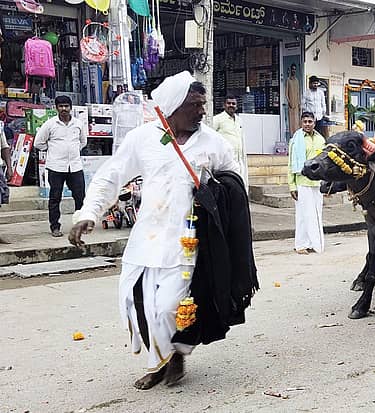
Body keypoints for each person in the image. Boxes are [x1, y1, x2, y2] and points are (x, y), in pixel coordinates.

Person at [68, 72, 243, 389]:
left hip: (187, 241)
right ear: (173, 107)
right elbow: (111, 176)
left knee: (168, 307)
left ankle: (175, 356)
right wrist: (89, 212)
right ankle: (158, 362)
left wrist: (215, 192)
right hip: (146, 241)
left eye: (203, 105)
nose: (202, 112)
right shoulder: (143, 138)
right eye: (195, 105)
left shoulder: (212, 143)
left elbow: (235, 179)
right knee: (140, 306)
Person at [34, 95, 88, 237]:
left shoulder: (78, 124)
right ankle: (55, 227)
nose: (64, 109)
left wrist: (72, 151)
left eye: (66, 106)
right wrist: (53, 150)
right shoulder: (50, 124)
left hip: (75, 166)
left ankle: (80, 226)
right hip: (56, 167)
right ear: (56, 108)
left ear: (71, 108)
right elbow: (38, 143)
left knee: (80, 197)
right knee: (55, 197)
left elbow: (83, 142)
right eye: (61, 106)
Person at [289, 112, 326, 254]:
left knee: (317, 213)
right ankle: (301, 245)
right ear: (301, 123)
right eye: (305, 121)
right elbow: (290, 164)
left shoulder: (320, 139)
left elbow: (325, 162)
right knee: (303, 214)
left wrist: (326, 183)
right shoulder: (296, 140)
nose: (307, 124)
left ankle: (313, 243)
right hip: (302, 181)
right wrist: (292, 185)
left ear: (314, 123)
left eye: (310, 121)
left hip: (317, 182)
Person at [211, 95, 248, 191]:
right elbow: (211, 137)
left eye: (233, 103)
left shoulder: (239, 120)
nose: (231, 105)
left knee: (240, 186)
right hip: (225, 162)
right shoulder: (217, 119)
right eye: (229, 103)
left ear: (236, 106)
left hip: (239, 161)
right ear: (224, 105)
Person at [286, 64, 301, 134]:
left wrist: (299, 103)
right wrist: (289, 102)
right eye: (292, 69)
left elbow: (298, 93)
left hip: (296, 105)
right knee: (291, 122)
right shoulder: (288, 80)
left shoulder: (297, 81)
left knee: (296, 122)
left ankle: (296, 136)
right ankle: (291, 136)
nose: (293, 70)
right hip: (291, 105)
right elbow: (286, 93)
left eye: (295, 69)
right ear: (291, 70)